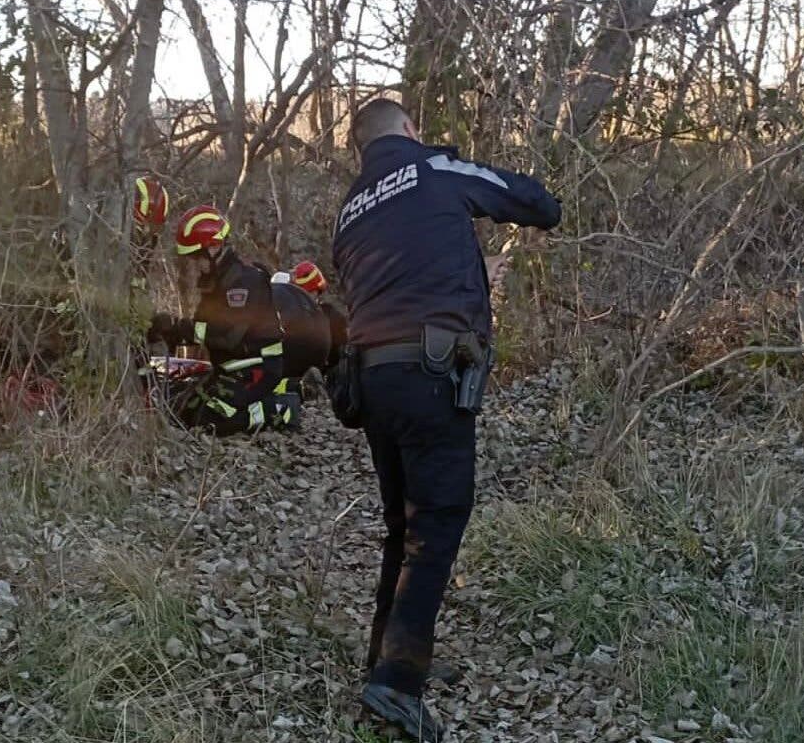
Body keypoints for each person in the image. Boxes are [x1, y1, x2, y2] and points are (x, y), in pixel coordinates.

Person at [332, 98, 561, 740]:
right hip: (431, 374)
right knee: (435, 526)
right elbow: (528, 200)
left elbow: (395, 282)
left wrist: (472, 271)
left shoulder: (351, 209)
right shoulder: (433, 166)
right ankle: (397, 684)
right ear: (409, 130)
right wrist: (549, 205)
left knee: (401, 526)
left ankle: (391, 657)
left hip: (373, 377)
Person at [149, 205, 298, 435]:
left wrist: (182, 328)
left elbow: (229, 337)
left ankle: (279, 407)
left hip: (257, 368)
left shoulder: (245, 283)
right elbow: (201, 329)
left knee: (210, 420)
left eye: (196, 256)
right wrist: (168, 332)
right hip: (229, 369)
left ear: (214, 247)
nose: (194, 264)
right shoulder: (215, 284)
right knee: (185, 412)